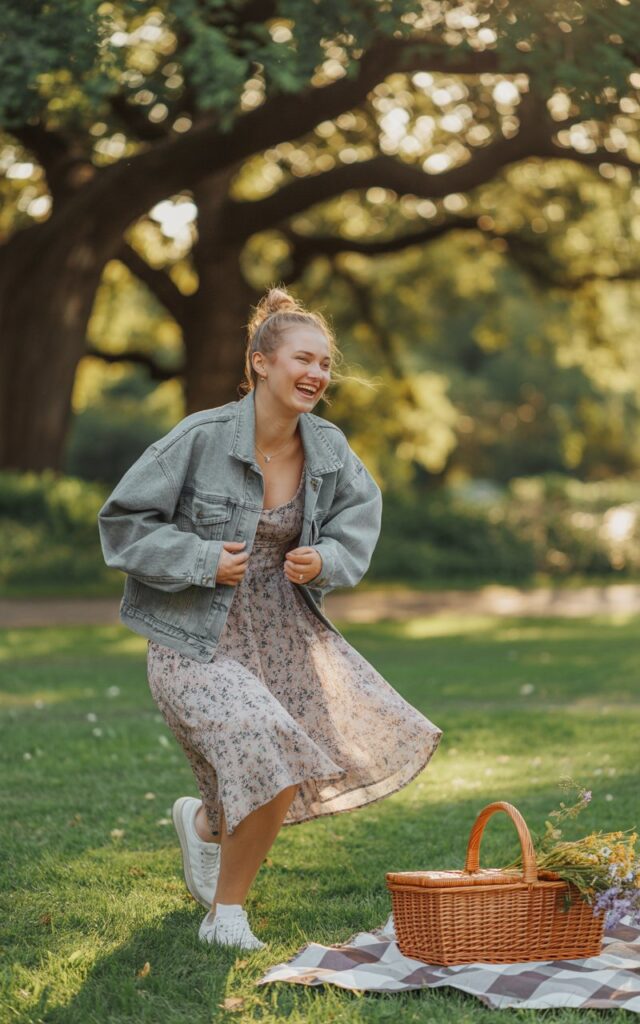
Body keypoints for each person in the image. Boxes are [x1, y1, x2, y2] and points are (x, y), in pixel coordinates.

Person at [98, 286, 443, 951]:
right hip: (194, 640)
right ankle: (225, 918)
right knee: (269, 742)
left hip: (285, 640)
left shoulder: (329, 448)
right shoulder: (199, 439)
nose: (316, 374)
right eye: (302, 360)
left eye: (324, 364)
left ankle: (206, 826)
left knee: (274, 757)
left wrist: (326, 560)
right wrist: (200, 557)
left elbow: (356, 523)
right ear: (261, 362)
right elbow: (123, 525)